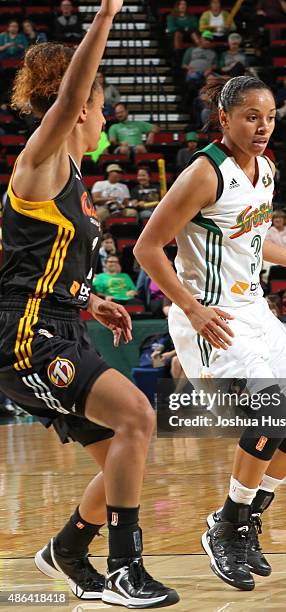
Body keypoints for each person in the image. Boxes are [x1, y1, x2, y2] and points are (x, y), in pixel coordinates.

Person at [1, 2, 178, 608]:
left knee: (122, 457)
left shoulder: (70, 178)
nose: (106, 116)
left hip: (58, 326)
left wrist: (91, 297)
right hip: (27, 338)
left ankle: (68, 550)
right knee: (138, 418)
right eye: (101, 105)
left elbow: (36, 265)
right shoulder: (40, 161)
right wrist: (104, 15)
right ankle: (127, 568)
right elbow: (74, 87)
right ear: (81, 107)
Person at [134, 75, 286, 591]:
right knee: (272, 411)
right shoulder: (202, 173)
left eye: (269, 119)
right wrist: (191, 310)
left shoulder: (267, 170)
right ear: (225, 118)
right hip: (210, 313)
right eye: (251, 117)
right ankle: (230, 527)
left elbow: (257, 245)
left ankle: (239, 518)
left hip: (254, 309)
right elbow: (147, 248)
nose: (262, 128)